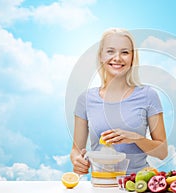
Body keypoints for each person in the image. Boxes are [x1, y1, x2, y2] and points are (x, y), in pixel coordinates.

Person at [70, 28, 168, 175]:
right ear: (101, 56)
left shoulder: (148, 95)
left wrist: (136, 138)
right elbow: (76, 150)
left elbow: (162, 152)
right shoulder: (85, 99)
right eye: (110, 51)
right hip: (101, 184)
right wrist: (77, 160)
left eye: (125, 52)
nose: (117, 58)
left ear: (132, 58)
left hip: (137, 186)